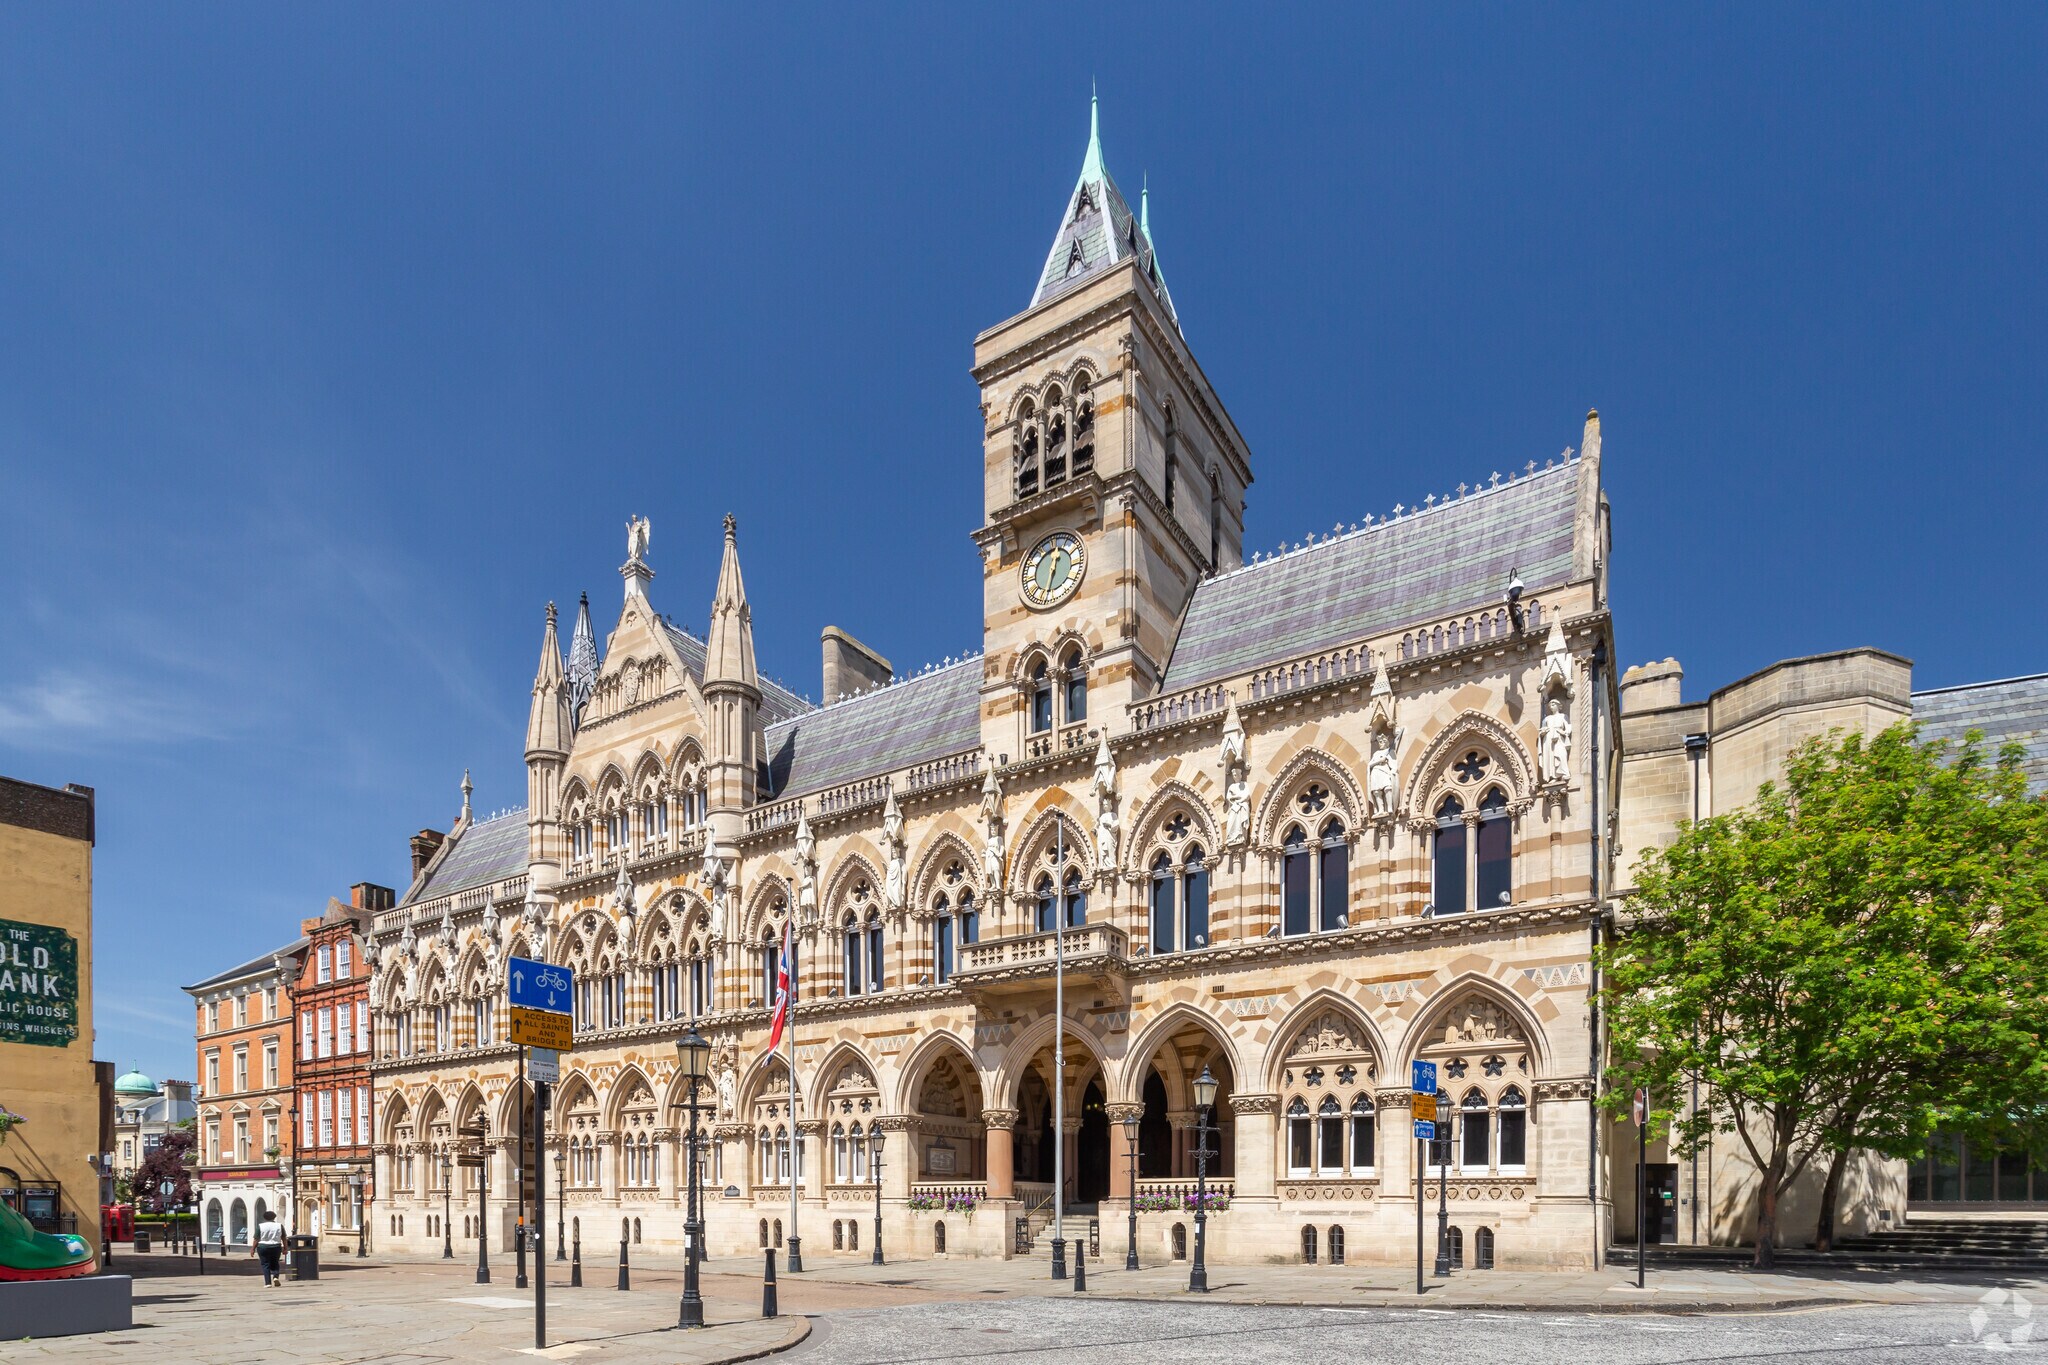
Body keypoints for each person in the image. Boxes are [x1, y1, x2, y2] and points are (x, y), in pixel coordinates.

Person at [254, 1208, 285, 1287]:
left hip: (263, 1246)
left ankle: (268, 1283)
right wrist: (285, 1248)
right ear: (274, 1217)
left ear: (265, 1218)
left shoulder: (260, 1226)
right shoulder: (279, 1226)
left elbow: (256, 1239)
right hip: (276, 1246)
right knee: (275, 1262)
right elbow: (284, 1238)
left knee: (265, 1264)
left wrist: (252, 1249)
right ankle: (275, 1276)